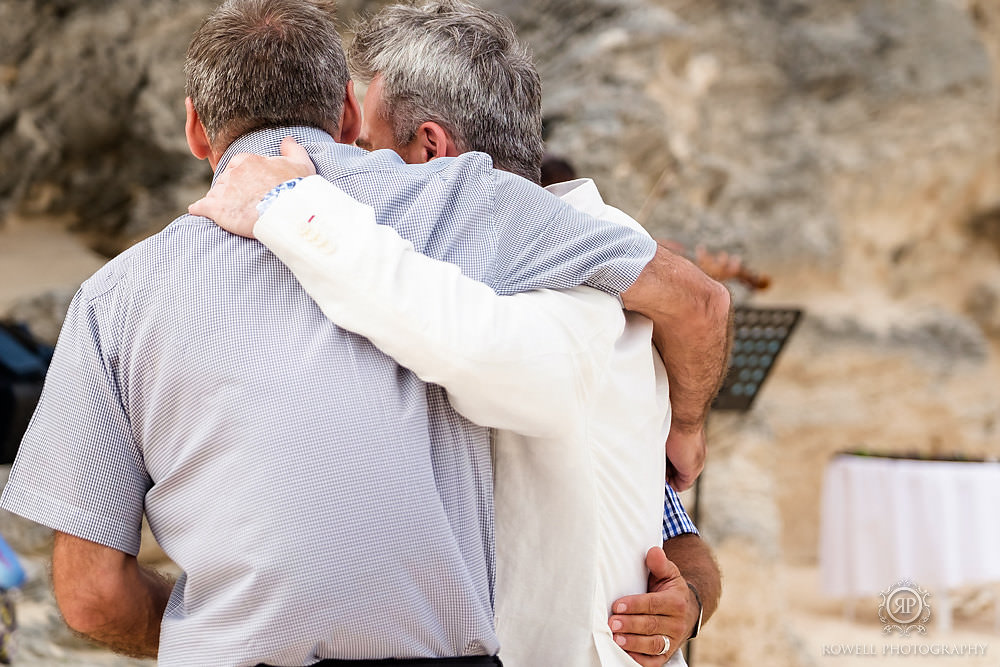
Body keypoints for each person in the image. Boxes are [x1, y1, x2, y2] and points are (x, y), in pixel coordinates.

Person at [0, 1, 729, 666]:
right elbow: (691, 302)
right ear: (345, 113)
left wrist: (219, 632)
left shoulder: (115, 298)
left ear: (194, 127)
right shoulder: (465, 219)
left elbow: (91, 594)